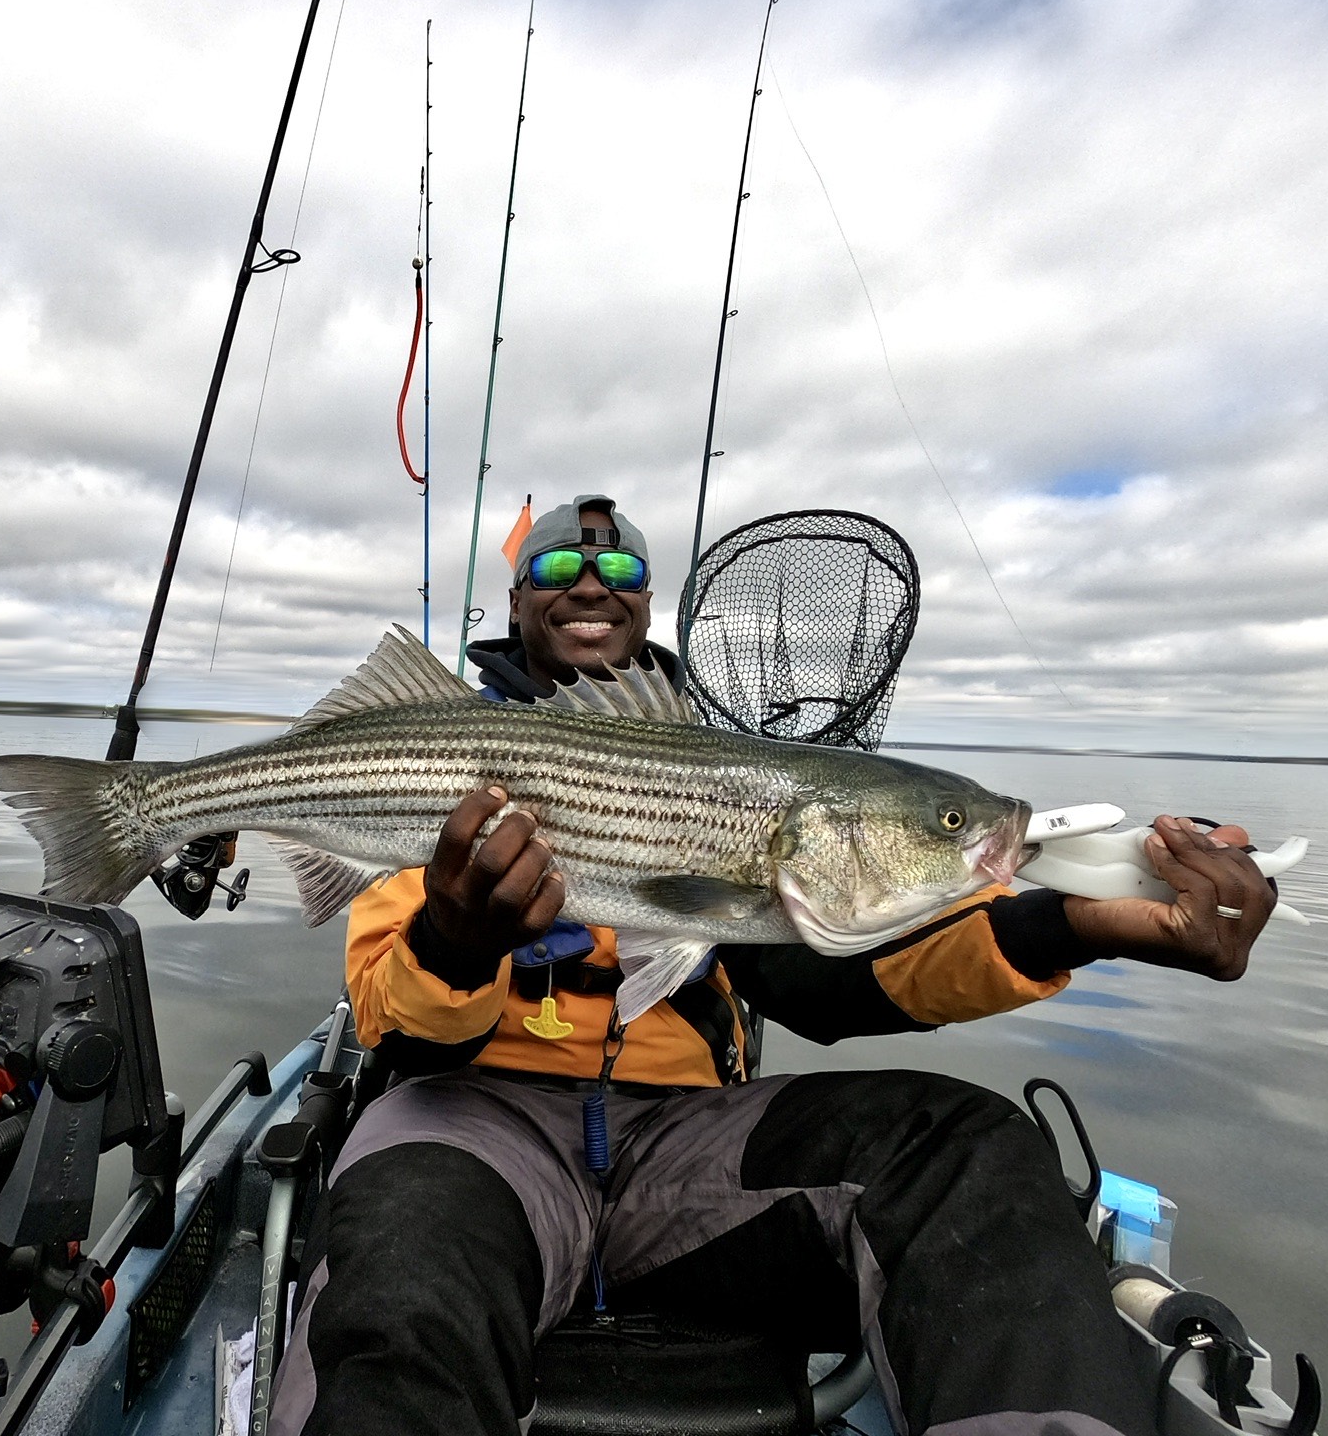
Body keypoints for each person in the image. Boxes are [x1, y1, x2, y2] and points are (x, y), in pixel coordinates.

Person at [268, 495, 1276, 1436]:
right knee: (396, 1277)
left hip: (690, 1152)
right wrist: (454, 940)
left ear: (646, 598)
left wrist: (1076, 927)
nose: (589, 582)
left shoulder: (732, 776)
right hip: (473, 1135)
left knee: (966, 1144)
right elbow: (394, 1023)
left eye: (616, 563)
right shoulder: (443, 756)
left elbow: (841, 976)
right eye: (558, 566)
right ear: (518, 598)